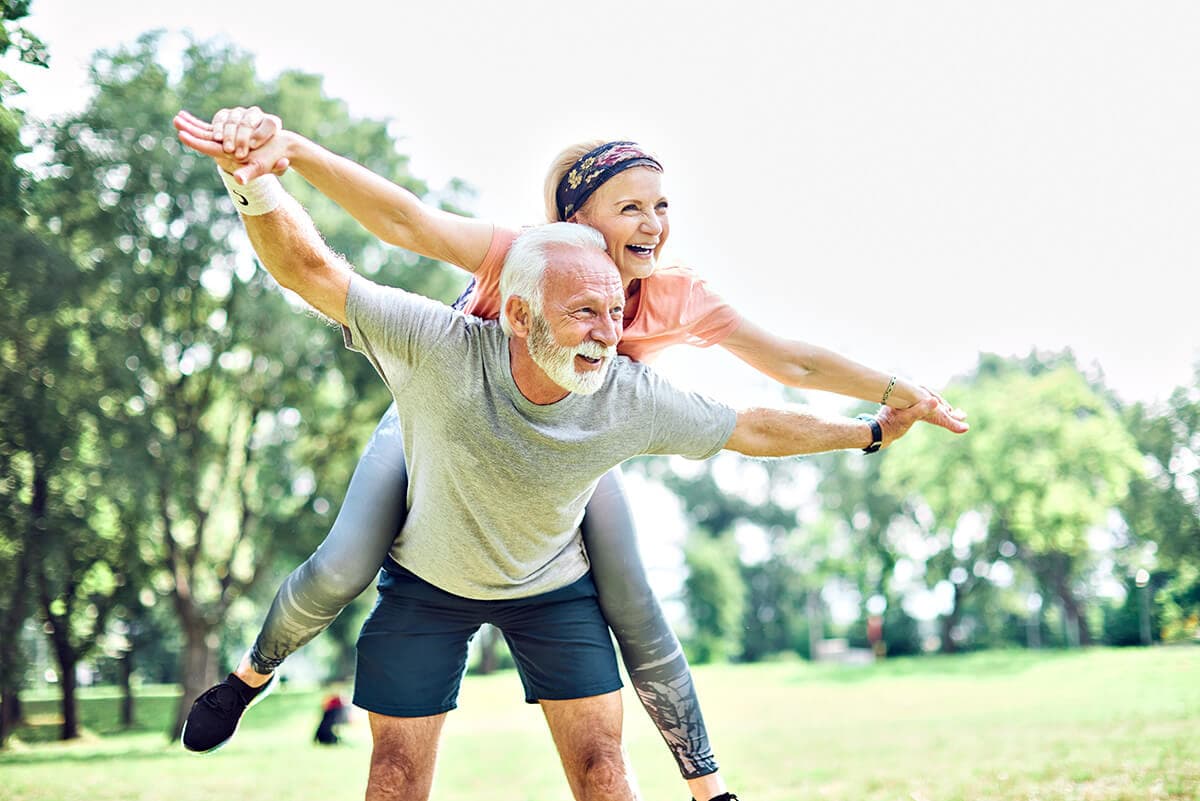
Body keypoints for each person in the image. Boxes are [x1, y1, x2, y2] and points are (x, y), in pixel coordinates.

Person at [174, 108, 966, 801]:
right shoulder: (522, 255)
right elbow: (406, 225)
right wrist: (291, 155)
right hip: (445, 430)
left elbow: (786, 368)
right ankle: (251, 675)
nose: (654, 223)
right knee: (344, 564)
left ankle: (709, 787)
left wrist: (897, 396)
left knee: (635, 603)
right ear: (576, 216)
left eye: (663, 204)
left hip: (575, 447)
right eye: (632, 206)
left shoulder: (673, 298)